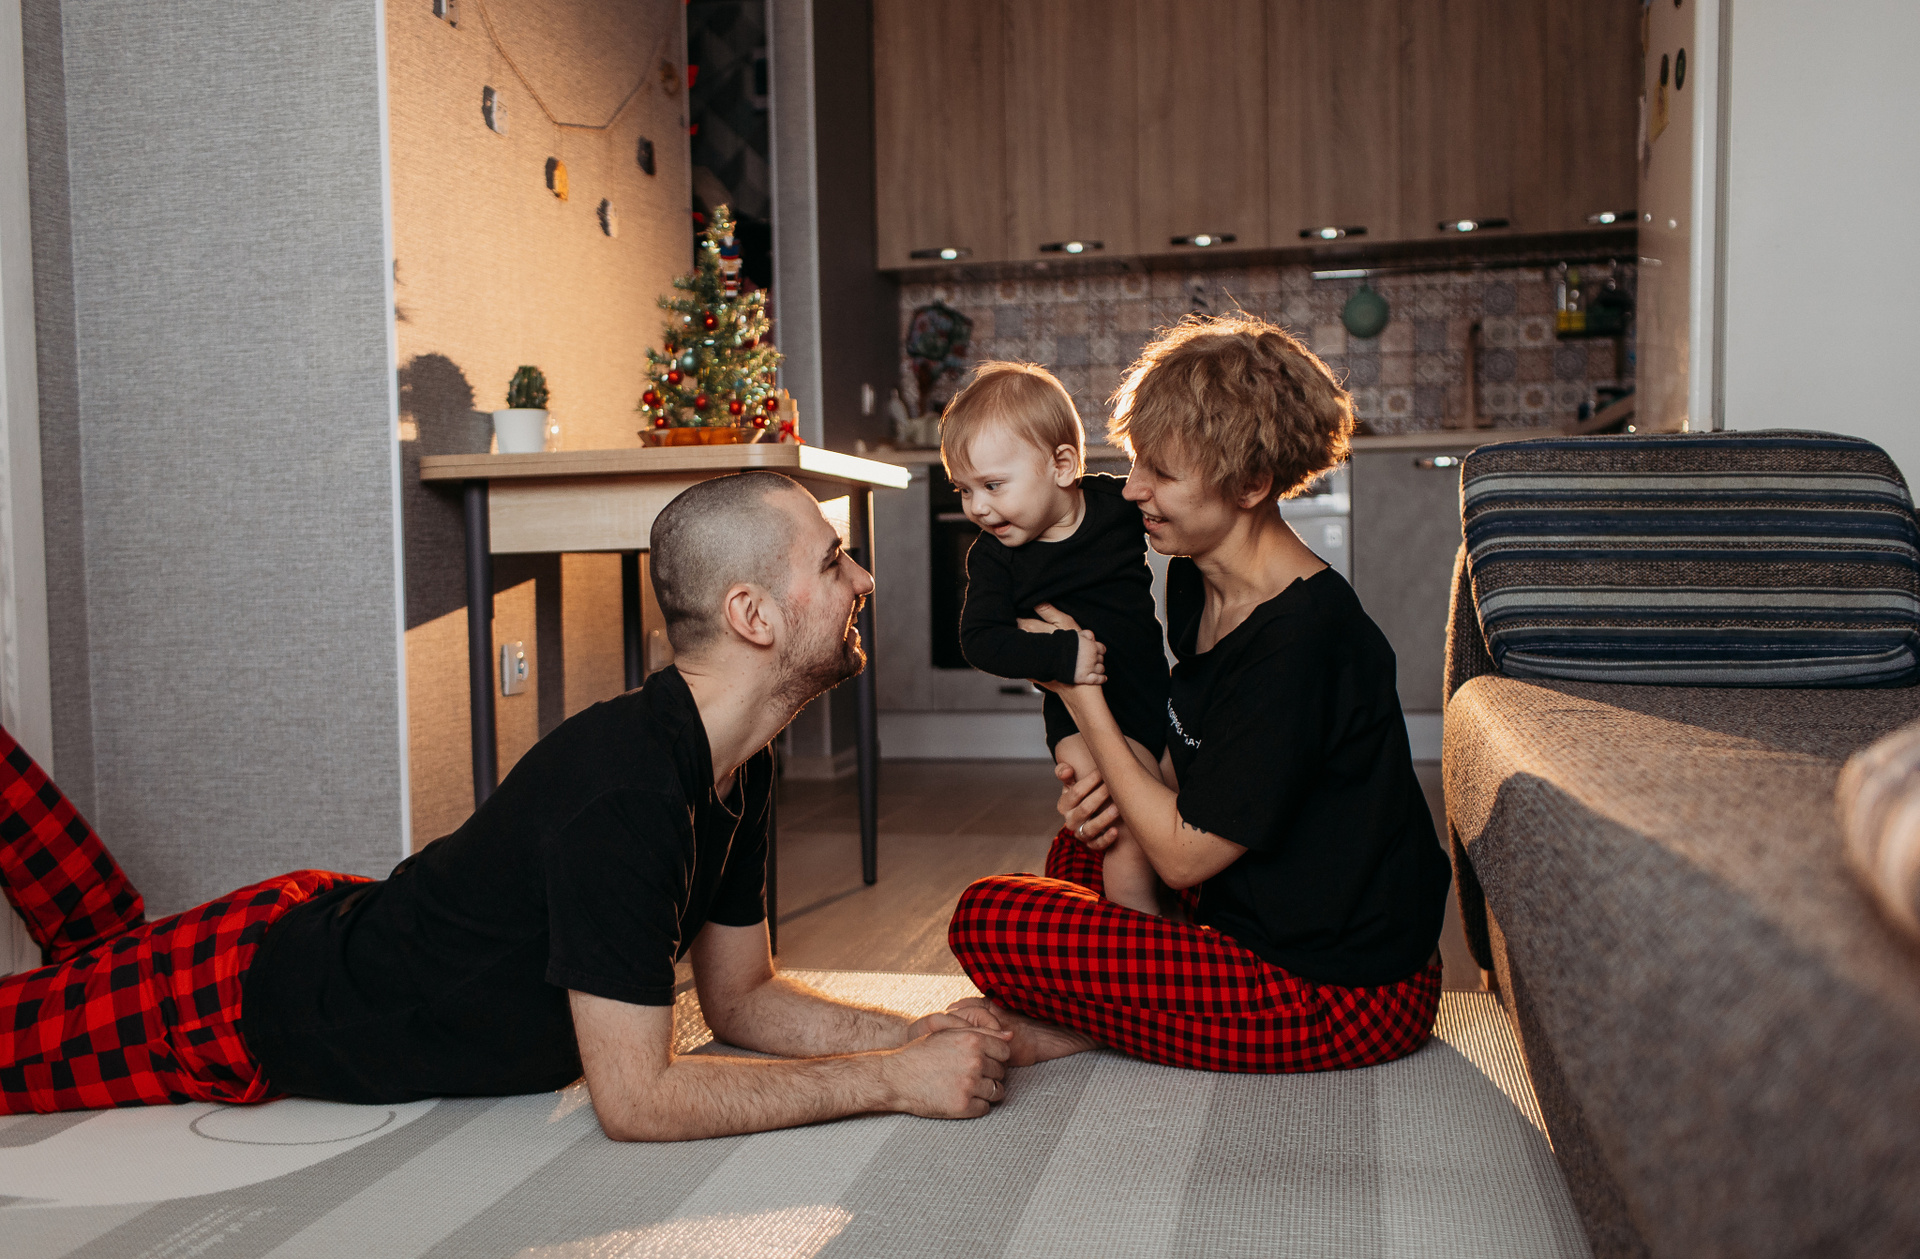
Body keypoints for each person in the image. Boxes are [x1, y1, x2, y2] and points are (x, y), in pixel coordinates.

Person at [0, 471, 1012, 1136]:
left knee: (96, 937)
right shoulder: (625, 788)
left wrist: (908, 1037)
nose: (863, 577)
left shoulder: (735, 762)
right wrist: (890, 1082)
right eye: (833, 561)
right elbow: (639, 1099)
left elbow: (741, 998)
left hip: (325, 921)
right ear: (752, 615)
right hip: (230, 1000)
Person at [947, 316, 1453, 1074]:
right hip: (1243, 911)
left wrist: (1080, 697)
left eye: (1162, 474)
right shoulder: (1196, 578)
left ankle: (1103, 1019)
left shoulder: (1303, 641)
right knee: (1087, 842)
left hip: (1340, 989)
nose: (1133, 489)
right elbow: (1204, 752)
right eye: (1135, 462)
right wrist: (1117, 783)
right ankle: (1123, 1013)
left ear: (1250, 485)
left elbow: (1184, 859)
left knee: (987, 919)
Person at [943, 362, 1172, 915]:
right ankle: (1136, 940)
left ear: (1062, 466)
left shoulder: (1117, 506)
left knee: (1172, 815)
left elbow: (1171, 509)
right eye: (964, 490)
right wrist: (1063, 654)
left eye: (992, 485)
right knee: (1126, 831)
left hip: (1156, 696)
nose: (977, 507)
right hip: (1078, 721)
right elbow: (979, 639)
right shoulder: (994, 557)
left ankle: (1180, 924)